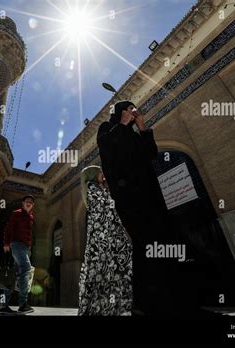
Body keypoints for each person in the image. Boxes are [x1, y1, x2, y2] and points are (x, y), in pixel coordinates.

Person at [97, 100, 180, 317]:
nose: (132, 112)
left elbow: (151, 153)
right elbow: (108, 151)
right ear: (119, 112)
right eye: (128, 109)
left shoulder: (134, 134)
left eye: (133, 110)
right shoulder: (107, 129)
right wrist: (123, 125)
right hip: (128, 196)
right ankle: (143, 301)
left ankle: (170, 295)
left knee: (162, 237)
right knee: (143, 242)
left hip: (150, 192)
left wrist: (142, 126)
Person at [78, 165, 133, 315]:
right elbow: (107, 206)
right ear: (93, 174)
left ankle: (110, 305)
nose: (103, 174)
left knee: (108, 268)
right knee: (111, 266)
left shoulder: (95, 187)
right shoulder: (92, 187)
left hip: (105, 232)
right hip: (105, 234)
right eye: (100, 172)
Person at [0, 195, 36, 315]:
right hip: (17, 245)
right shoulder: (16, 213)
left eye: (31, 202)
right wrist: (6, 243)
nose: (29, 203)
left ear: (32, 205)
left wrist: (29, 249)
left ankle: (3, 306)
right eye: (27, 201)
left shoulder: (30, 217)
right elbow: (8, 229)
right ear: (23, 203)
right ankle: (23, 304)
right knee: (26, 269)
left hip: (24, 248)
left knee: (14, 275)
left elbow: (29, 235)